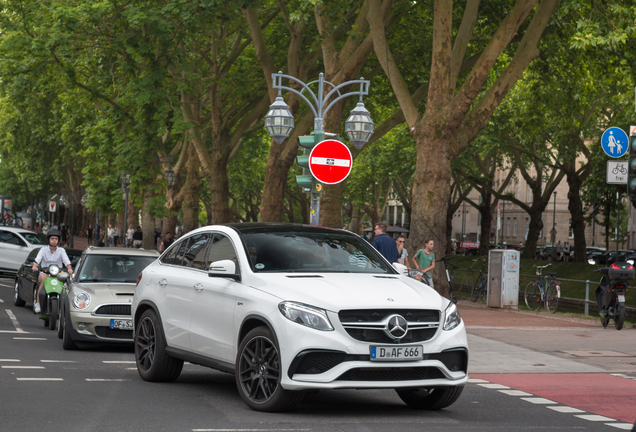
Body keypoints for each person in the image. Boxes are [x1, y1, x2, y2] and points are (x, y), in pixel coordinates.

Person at [31, 229, 73, 314]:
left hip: (58, 274)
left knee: (68, 283)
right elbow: (37, 260)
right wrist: (35, 267)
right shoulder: (43, 250)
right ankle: (38, 303)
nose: (54, 240)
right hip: (45, 273)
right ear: (48, 240)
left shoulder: (61, 250)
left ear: (58, 241)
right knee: (43, 278)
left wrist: (69, 268)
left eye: (56, 239)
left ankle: (68, 305)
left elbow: (66, 261)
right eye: (52, 238)